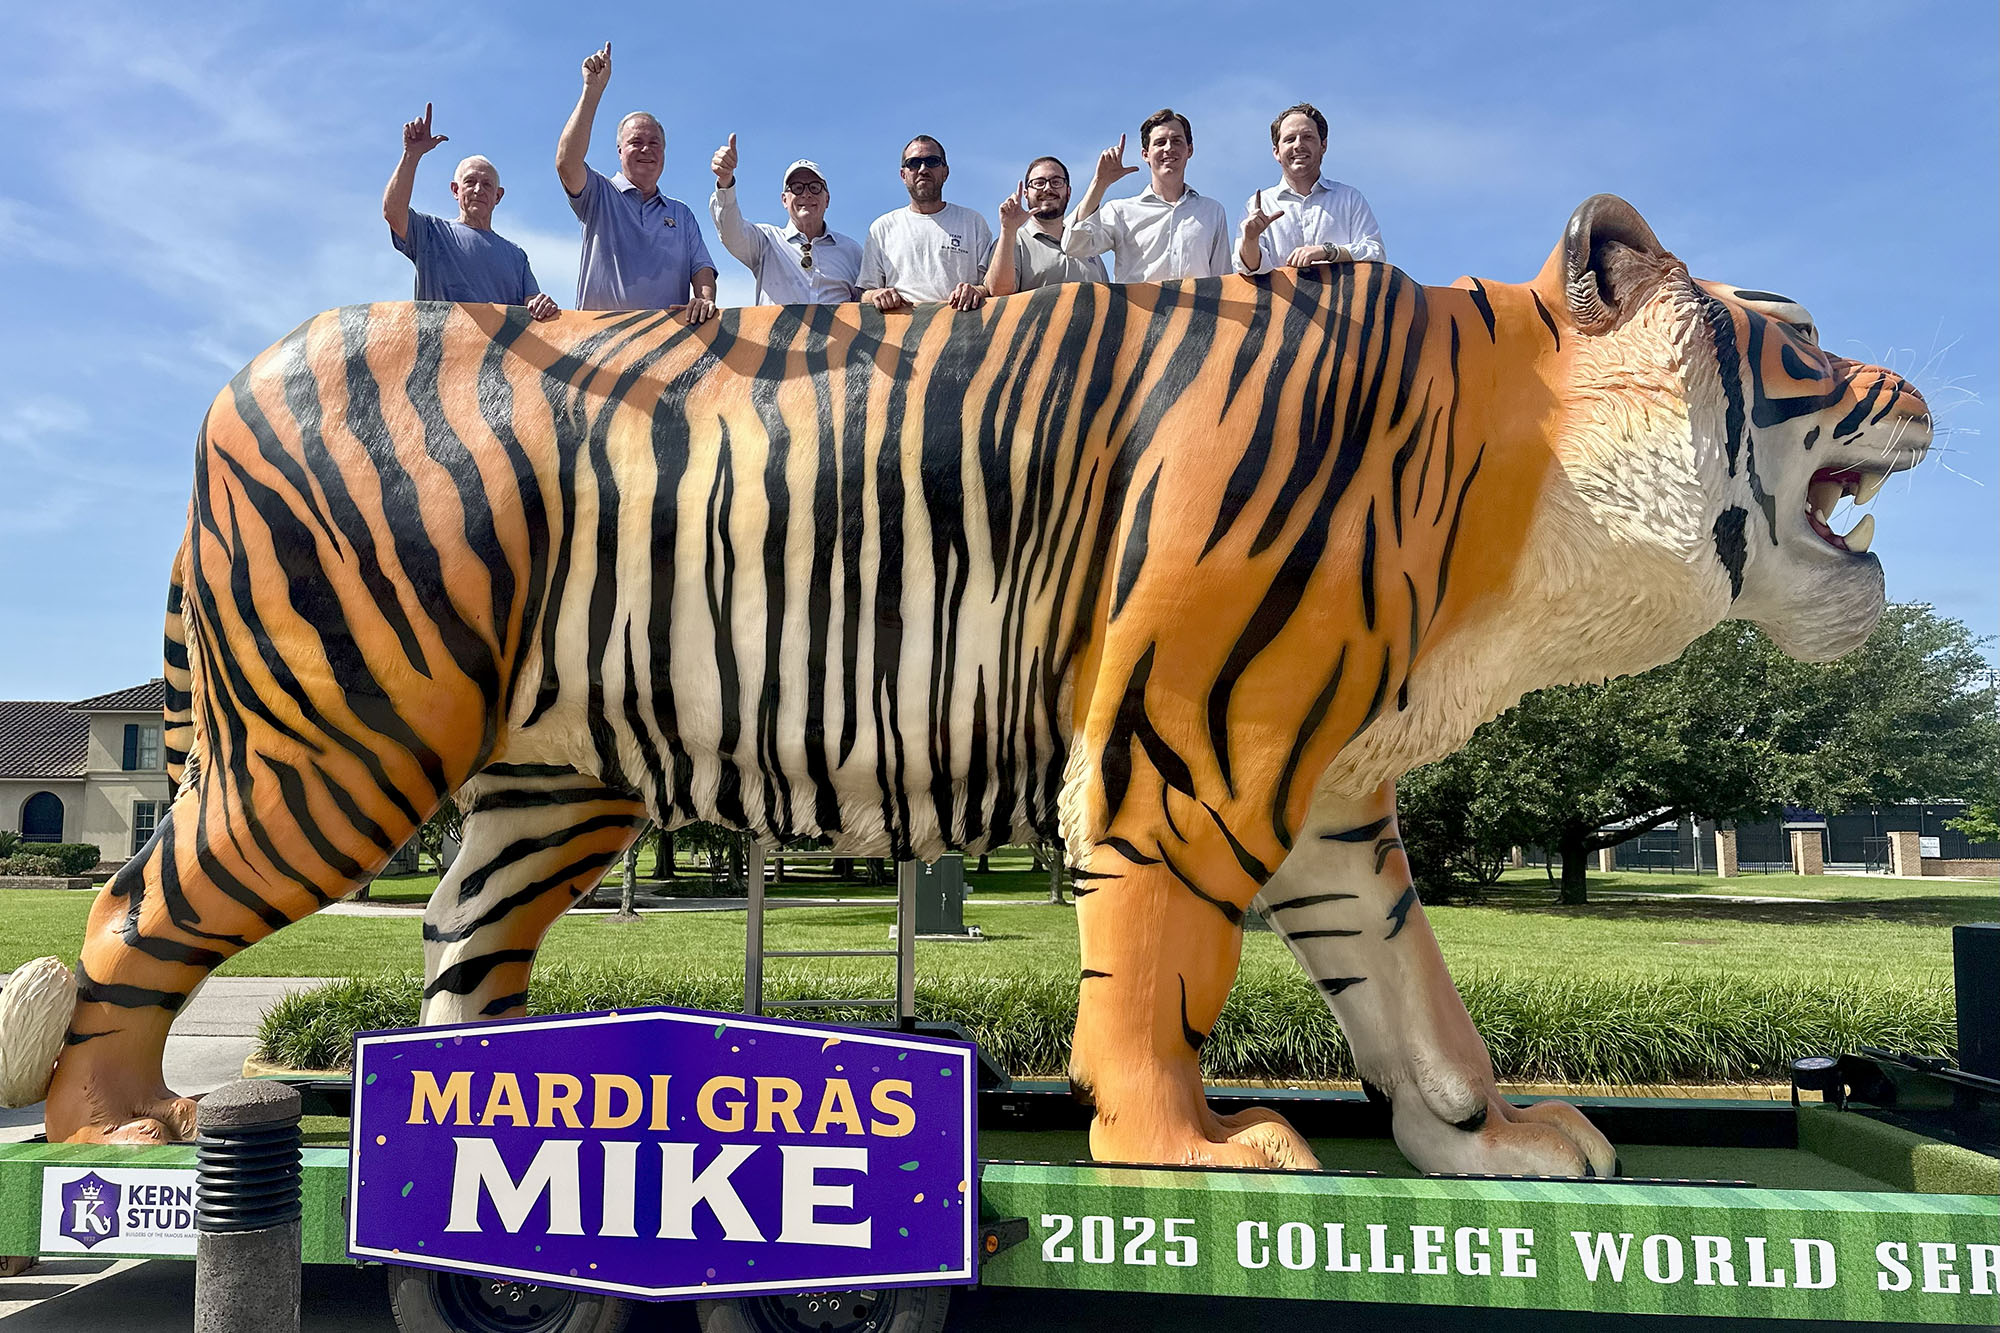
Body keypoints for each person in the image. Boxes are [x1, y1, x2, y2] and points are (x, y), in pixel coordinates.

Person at [555, 42, 718, 323]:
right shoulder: (599, 194)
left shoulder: (682, 214)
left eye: (654, 143)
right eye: (636, 142)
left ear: (664, 152)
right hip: (597, 350)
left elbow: (701, 268)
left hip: (666, 351)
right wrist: (592, 92)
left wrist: (704, 298)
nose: (646, 149)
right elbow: (567, 164)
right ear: (619, 151)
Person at [381, 104, 558, 319]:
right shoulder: (432, 233)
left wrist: (542, 304)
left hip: (498, 353)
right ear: (455, 190)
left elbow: (533, 308)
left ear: (498, 196)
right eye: (470, 182)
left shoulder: (516, 256)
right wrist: (411, 154)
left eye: (486, 185)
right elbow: (393, 212)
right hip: (442, 352)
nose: (478, 190)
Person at [1063, 109, 1232, 283]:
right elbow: (1074, 246)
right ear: (1145, 154)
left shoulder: (1212, 211)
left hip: (1198, 311)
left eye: (1176, 141)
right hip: (1137, 310)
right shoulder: (1121, 212)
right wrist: (1100, 183)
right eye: (1160, 143)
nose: (1169, 148)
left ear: (1189, 150)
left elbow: (1223, 280)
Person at [1237, 102, 1385, 276]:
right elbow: (1248, 271)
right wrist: (1250, 240)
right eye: (1289, 139)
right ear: (1276, 152)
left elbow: (1376, 253)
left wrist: (1328, 251)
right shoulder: (1259, 205)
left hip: (1340, 303)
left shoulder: (1349, 198)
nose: (1298, 145)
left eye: (1307, 137)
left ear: (1323, 145)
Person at [708, 137, 861, 305]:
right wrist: (725, 181)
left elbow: (867, 302)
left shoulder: (852, 252)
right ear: (784, 200)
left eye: (815, 187)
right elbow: (731, 233)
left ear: (827, 200)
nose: (806, 194)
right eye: (797, 188)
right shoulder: (765, 241)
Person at [857, 136, 994, 312]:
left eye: (932, 161)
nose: (923, 169)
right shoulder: (881, 228)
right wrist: (876, 295)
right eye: (913, 163)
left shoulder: (973, 223)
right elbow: (865, 293)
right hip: (900, 333)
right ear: (903, 175)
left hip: (963, 331)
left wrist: (976, 290)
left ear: (945, 172)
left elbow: (990, 287)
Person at [983, 156, 1107, 297]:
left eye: (1056, 182)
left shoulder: (1088, 245)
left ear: (1068, 192)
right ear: (1026, 194)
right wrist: (1008, 230)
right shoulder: (1013, 241)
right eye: (1039, 183)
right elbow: (998, 293)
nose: (1048, 188)